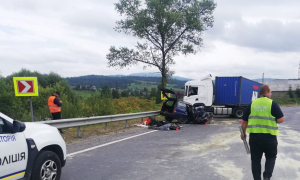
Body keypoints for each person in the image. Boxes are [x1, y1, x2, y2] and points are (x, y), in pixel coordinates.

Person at [241, 85, 284, 180]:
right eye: (270, 92)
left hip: (255, 138)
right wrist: (273, 120)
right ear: (266, 92)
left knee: (255, 160)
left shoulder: (252, 104)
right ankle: (267, 177)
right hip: (270, 138)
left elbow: (244, 122)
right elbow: (281, 119)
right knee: (271, 157)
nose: (271, 94)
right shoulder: (272, 103)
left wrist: (243, 134)